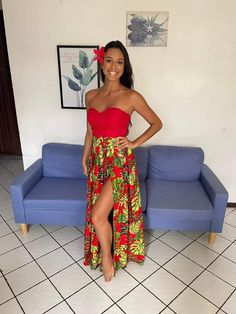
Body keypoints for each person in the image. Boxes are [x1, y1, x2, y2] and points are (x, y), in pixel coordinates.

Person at [82, 40, 162, 282]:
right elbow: (90, 131)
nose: (113, 66)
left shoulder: (131, 96)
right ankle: (107, 254)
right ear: (102, 63)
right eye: (109, 60)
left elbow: (157, 123)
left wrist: (134, 143)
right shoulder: (91, 96)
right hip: (98, 162)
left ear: (124, 66)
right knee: (101, 214)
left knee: (98, 216)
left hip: (119, 163)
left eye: (119, 62)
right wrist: (85, 157)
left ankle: (108, 259)